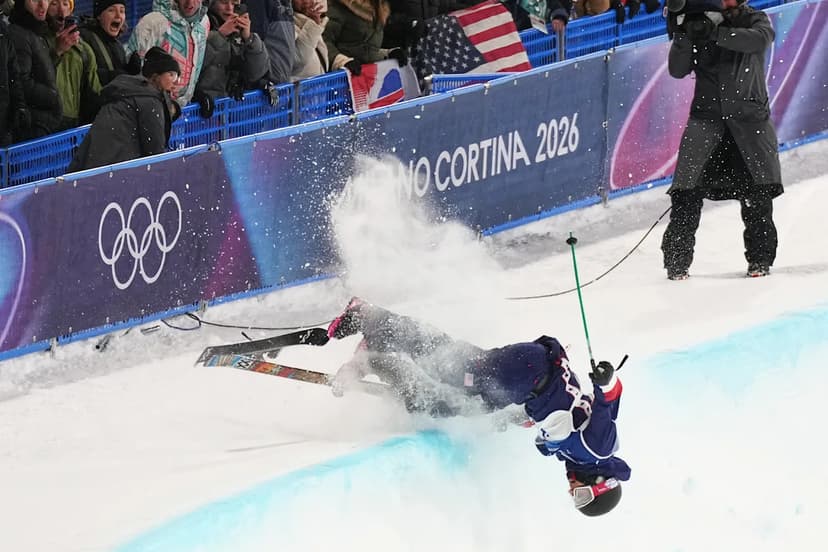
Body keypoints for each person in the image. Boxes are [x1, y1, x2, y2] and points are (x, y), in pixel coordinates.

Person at [327, 297, 631, 516]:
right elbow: (609, 403)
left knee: (447, 404)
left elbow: (556, 419)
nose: (572, 490)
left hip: (525, 381)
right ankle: (370, 318)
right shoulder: (599, 450)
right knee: (451, 368)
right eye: (582, 494)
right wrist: (606, 381)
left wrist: (516, 418)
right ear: (600, 483)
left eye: (575, 498)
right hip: (526, 372)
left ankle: (378, 362)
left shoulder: (575, 454)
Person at [661, 0, 782, 280]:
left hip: (749, 122)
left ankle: (760, 260)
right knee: (685, 194)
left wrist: (717, 34)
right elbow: (677, 70)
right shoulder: (696, 19)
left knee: (757, 196)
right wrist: (683, 36)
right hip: (707, 121)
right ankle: (676, 263)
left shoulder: (755, 19)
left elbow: (759, 40)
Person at [68, 46, 179, 171]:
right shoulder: (149, 100)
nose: (176, 81)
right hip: (112, 170)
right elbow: (155, 152)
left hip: (90, 167)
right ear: (156, 75)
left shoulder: (129, 91)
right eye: (172, 75)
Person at [126, 0, 209, 106]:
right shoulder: (153, 22)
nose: (190, 3)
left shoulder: (203, 24)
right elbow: (133, 74)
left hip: (183, 110)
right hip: (152, 108)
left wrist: (194, 92)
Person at [194, 0, 269, 118]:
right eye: (224, 2)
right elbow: (194, 65)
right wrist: (219, 35)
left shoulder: (242, 31)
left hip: (234, 112)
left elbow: (257, 73)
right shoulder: (199, 25)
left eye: (234, 4)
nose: (229, 8)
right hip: (203, 112)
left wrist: (250, 40)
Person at [8, 0, 62, 140]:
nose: (43, 5)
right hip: (32, 126)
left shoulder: (36, 31)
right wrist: (52, 97)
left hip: (41, 124)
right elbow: (20, 82)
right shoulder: (19, 35)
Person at [46, 0, 103, 129]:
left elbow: (95, 93)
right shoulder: (38, 42)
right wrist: (57, 51)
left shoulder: (84, 50)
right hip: (45, 125)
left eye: (65, 4)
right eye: (54, 3)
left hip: (73, 126)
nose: (61, 10)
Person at [79, 0, 129, 87]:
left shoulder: (117, 44)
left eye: (122, 11)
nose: (118, 16)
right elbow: (83, 75)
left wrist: (130, 70)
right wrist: (114, 76)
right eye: (111, 10)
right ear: (99, 15)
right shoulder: (85, 39)